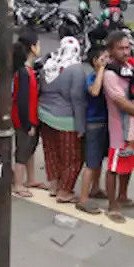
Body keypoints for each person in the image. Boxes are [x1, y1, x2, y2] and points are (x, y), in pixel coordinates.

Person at [101, 32, 134, 223]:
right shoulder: (110, 74)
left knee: (129, 164)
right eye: (120, 48)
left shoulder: (130, 68)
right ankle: (112, 204)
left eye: (127, 47)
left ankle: (123, 196)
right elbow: (120, 102)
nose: (125, 51)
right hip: (119, 130)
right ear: (111, 50)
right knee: (114, 167)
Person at [39, 37, 89, 204]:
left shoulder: (49, 63)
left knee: (51, 152)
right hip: (65, 119)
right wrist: (81, 127)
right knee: (72, 158)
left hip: (44, 114)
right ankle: (65, 191)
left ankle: (54, 185)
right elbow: (77, 99)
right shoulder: (76, 69)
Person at [76, 45, 111, 214]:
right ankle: (83, 198)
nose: (107, 60)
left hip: (104, 123)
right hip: (93, 124)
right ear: (95, 62)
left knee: (98, 160)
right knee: (91, 163)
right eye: (103, 58)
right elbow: (95, 92)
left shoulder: (106, 76)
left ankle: (95, 188)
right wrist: (101, 70)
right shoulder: (92, 78)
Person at [11, 34, 43, 197]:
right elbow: (22, 100)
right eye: (38, 44)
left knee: (30, 148)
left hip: (31, 117)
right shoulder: (23, 72)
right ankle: (18, 184)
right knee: (22, 150)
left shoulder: (29, 70)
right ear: (32, 47)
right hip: (24, 118)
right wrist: (27, 123)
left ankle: (30, 179)